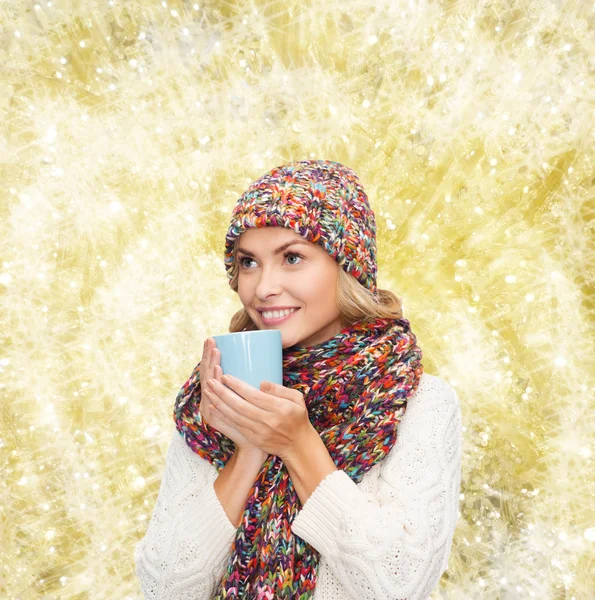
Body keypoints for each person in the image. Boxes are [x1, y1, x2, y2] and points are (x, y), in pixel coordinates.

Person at [134, 159, 463, 599]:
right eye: (248, 262)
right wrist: (249, 446)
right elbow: (164, 587)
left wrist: (296, 443)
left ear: (347, 265)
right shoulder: (216, 395)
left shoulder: (419, 402)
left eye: (291, 257)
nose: (263, 287)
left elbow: (396, 585)